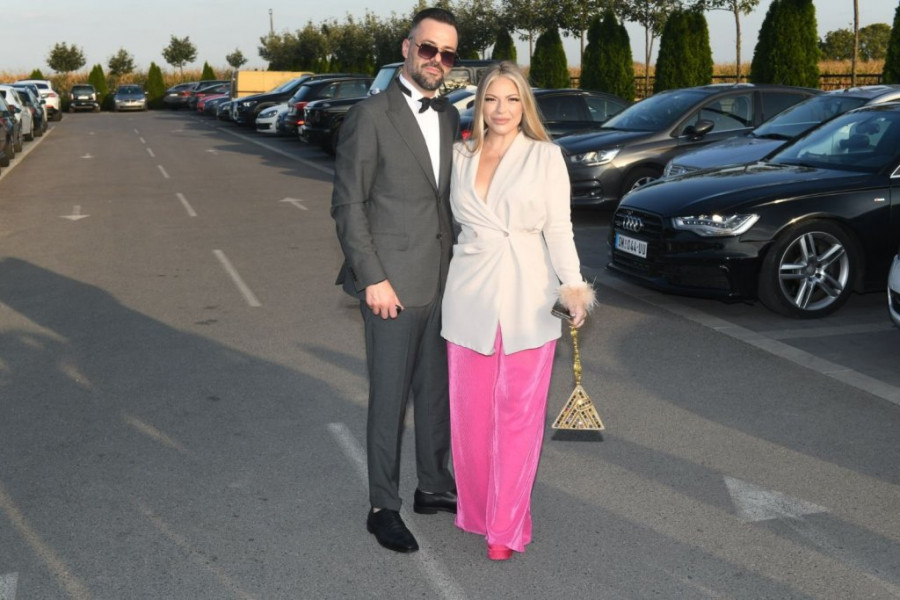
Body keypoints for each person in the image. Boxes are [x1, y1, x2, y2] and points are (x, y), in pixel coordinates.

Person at [441, 62, 595, 561]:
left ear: (524, 105)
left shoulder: (544, 156)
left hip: (528, 297)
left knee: (517, 420)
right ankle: (477, 514)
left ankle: (504, 528)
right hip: (469, 296)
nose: (501, 109)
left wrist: (573, 287)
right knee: (471, 419)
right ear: (480, 104)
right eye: (491, 99)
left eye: (511, 99)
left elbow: (559, 228)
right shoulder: (460, 155)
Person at [331, 7, 461, 554]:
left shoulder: (450, 116)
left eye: (447, 54)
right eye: (428, 48)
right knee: (389, 400)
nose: (436, 60)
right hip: (391, 286)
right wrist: (373, 278)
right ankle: (382, 506)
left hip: (442, 279)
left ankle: (433, 485)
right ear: (407, 48)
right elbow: (348, 204)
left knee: (435, 394)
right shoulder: (370, 115)